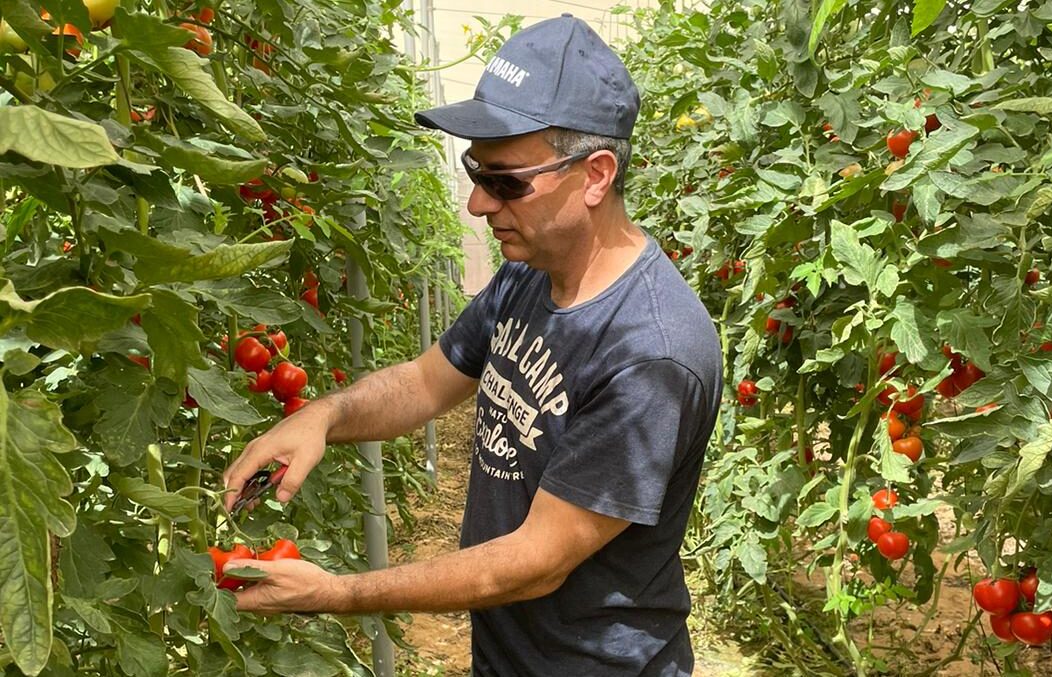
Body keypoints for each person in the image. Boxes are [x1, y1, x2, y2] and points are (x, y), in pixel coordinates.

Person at [222, 13, 722, 676]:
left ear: (596, 175)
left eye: (506, 181)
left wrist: (338, 592)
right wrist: (324, 416)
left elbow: (534, 562)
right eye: (475, 172)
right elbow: (428, 382)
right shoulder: (528, 275)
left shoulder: (650, 350)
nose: (478, 206)